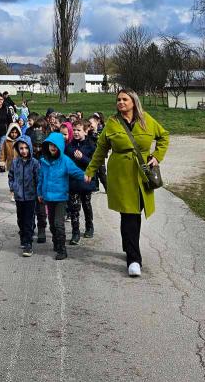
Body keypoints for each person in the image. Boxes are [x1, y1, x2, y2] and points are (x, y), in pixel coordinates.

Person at [85, 89, 168, 277]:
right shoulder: (113, 124)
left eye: (125, 99)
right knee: (129, 215)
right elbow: (101, 150)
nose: (121, 102)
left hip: (141, 175)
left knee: (133, 215)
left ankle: (129, 247)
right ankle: (133, 259)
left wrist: (157, 157)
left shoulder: (146, 119)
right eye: (118, 100)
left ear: (133, 101)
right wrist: (90, 170)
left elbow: (164, 136)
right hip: (121, 177)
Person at [37, 131, 86, 260]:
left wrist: (87, 176)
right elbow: (41, 178)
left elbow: (77, 172)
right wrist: (39, 193)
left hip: (60, 198)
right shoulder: (44, 162)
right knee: (52, 224)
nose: (52, 147)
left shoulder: (65, 161)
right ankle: (56, 242)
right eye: (50, 145)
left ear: (60, 146)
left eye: (55, 145)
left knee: (59, 223)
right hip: (48, 197)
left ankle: (62, 249)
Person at [67, 120, 98, 242]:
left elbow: (95, 163)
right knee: (74, 208)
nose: (75, 132)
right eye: (74, 130)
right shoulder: (69, 146)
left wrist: (83, 158)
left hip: (86, 181)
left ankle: (89, 226)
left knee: (86, 204)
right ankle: (75, 232)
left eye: (78, 130)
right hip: (73, 182)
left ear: (85, 131)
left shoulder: (91, 145)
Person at [8, 138, 40, 256]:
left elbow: (38, 179)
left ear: (30, 148)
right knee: (20, 219)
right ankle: (23, 236)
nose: (24, 151)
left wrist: (38, 193)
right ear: (17, 149)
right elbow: (11, 176)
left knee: (28, 220)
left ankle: (28, 244)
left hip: (31, 197)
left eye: (26, 148)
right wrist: (13, 186)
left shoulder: (35, 163)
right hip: (19, 196)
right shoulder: (15, 162)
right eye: (21, 148)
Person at [28, 119, 50, 242]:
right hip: (30, 185)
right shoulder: (27, 155)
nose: (37, 148)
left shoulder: (47, 156)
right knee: (30, 210)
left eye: (39, 146)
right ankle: (30, 227)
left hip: (42, 187)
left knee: (41, 211)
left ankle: (42, 229)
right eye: (35, 146)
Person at [87, 112, 108, 193]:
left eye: (91, 123)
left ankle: (107, 188)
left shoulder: (100, 132)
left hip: (100, 155)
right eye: (88, 124)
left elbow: (101, 141)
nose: (90, 125)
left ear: (96, 123)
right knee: (94, 172)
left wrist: (95, 133)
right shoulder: (88, 133)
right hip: (91, 155)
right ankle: (95, 187)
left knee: (102, 173)